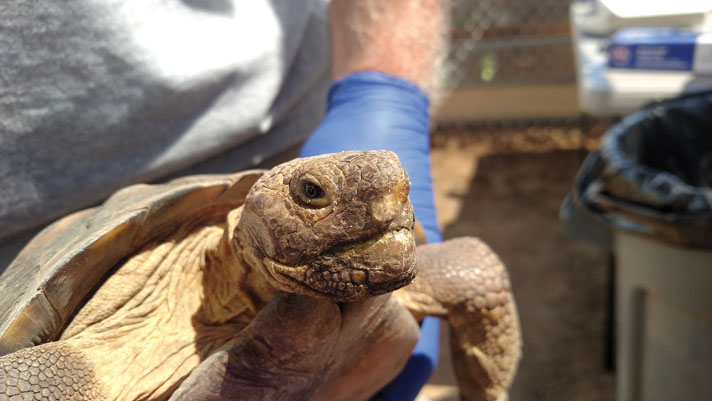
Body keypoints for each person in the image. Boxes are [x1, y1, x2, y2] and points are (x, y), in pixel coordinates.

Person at [0, 0, 447, 398]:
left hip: (282, 129)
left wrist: (383, 91)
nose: (389, 204)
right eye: (312, 196)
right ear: (250, 219)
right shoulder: (104, 340)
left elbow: (474, 273)